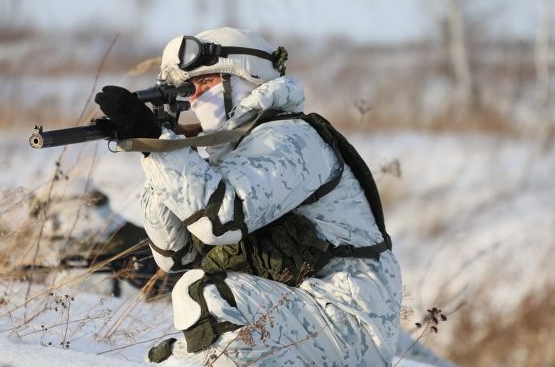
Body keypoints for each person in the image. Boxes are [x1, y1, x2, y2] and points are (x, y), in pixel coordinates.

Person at [95, 27, 402, 365]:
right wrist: (154, 148)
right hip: (305, 313)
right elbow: (173, 254)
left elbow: (221, 219)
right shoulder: (229, 150)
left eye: (204, 84)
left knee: (206, 296)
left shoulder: (291, 140)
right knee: (170, 359)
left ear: (244, 77)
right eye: (188, 91)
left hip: (349, 325)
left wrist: (163, 147)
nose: (194, 100)